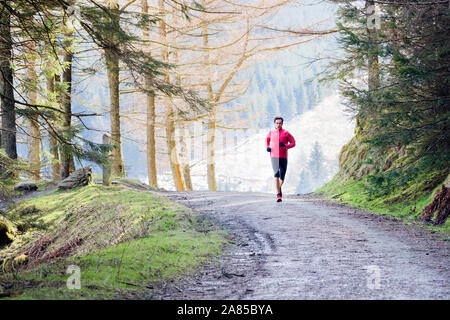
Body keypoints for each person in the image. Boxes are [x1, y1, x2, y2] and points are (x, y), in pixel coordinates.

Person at [266, 116, 296, 202]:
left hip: (283, 157)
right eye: (277, 123)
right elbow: (267, 140)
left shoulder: (286, 133)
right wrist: (268, 147)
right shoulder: (271, 132)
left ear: (282, 124)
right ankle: (278, 195)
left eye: (280, 123)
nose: (278, 124)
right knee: (276, 175)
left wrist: (286, 146)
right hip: (274, 156)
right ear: (274, 124)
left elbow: (293, 143)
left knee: (282, 176)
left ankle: (278, 190)